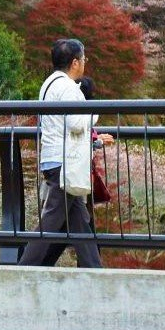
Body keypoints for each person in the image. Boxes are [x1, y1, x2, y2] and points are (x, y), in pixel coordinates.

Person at [18, 39, 106, 268]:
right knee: (52, 217)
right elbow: (76, 123)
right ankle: (24, 268)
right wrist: (94, 113)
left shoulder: (49, 84)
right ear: (75, 62)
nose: (84, 63)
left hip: (53, 157)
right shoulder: (68, 87)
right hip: (65, 160)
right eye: (84, 59)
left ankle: (94, 269)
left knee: (79, 219)